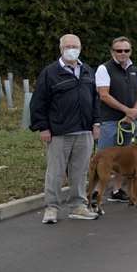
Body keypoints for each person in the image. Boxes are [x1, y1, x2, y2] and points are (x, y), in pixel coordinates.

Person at [31, 34, 100, 223]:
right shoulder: (50, 72)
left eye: (75, 46)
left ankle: (78, 205)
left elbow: (94, 100)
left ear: (80, 47)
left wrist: (96, 122)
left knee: (80, 171)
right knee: (55, 172)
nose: (72, 49)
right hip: (59, 132)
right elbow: (39, 102)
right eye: (68, 46)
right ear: (61, 49)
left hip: (84, 131)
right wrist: (42, 127)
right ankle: (51, 207)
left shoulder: (87, 70)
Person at [91, 36, 137, 200]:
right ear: (112, 51)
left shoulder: (135, 70)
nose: (123, 53)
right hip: (109, 121)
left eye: (126, 50)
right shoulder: (104, 69)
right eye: (119, 50)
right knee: (104, 158)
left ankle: (116, 190)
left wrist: (134, 111)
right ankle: (94, 191)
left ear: (131, 51)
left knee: (124, 158)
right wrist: (126, 110)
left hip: (129, 121)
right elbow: (103, 95)